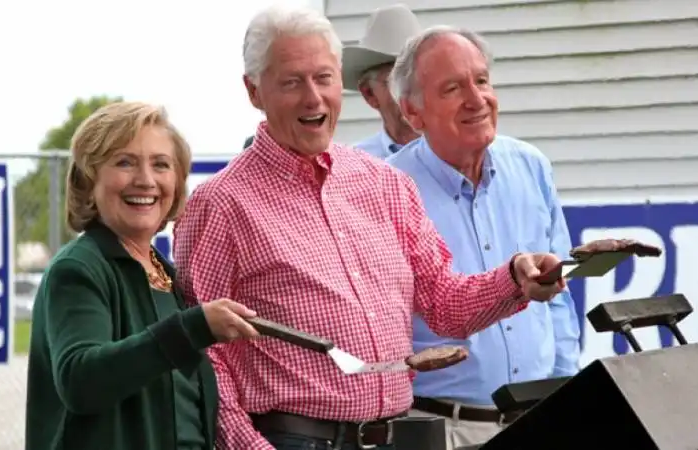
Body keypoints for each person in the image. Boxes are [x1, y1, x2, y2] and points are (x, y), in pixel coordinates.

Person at [172, 6, 566, 450]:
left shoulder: (384, 182)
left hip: (400, 436)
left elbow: (442, 303)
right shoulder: (221, 204)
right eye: (291, 81)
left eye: (323, 78)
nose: (313, 98)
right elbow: (206, 361)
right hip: (295, 439)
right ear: (253, 91)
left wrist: (515, 277)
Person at [386, 26, 581, 448]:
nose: (476, 100)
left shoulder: (531, 166)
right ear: (413, 113)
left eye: (481, 80)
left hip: (540, 416)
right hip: (443, 428)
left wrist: (564, 390)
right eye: (453, 88)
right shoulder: (390, 189)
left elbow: (560, 296)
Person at [24, 101, 260, 450]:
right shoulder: (78, 269)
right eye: (125, 162)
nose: (146, 180)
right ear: (89, 181)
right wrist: (191, 329)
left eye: (161, 165)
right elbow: (81, 381)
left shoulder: (167, 275)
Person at [342, 4, 420, 159]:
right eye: (396, 82)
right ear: (369, 94)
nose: (411, 91)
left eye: (419, 79)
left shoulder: (464, 154)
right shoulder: (354, 164)